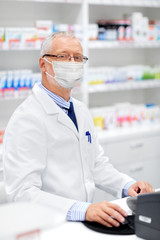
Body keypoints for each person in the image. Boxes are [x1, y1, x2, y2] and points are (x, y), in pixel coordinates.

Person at [3, 31, 154, 228]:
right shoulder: (27, 118)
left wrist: (127, 186)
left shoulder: (80, 109)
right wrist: (83, 210)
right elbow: (22, 193)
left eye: (77, 57)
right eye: (63, 56)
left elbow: (96, 164)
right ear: (43, 64)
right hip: (48, 224)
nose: (72, 62)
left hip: (82, 221)